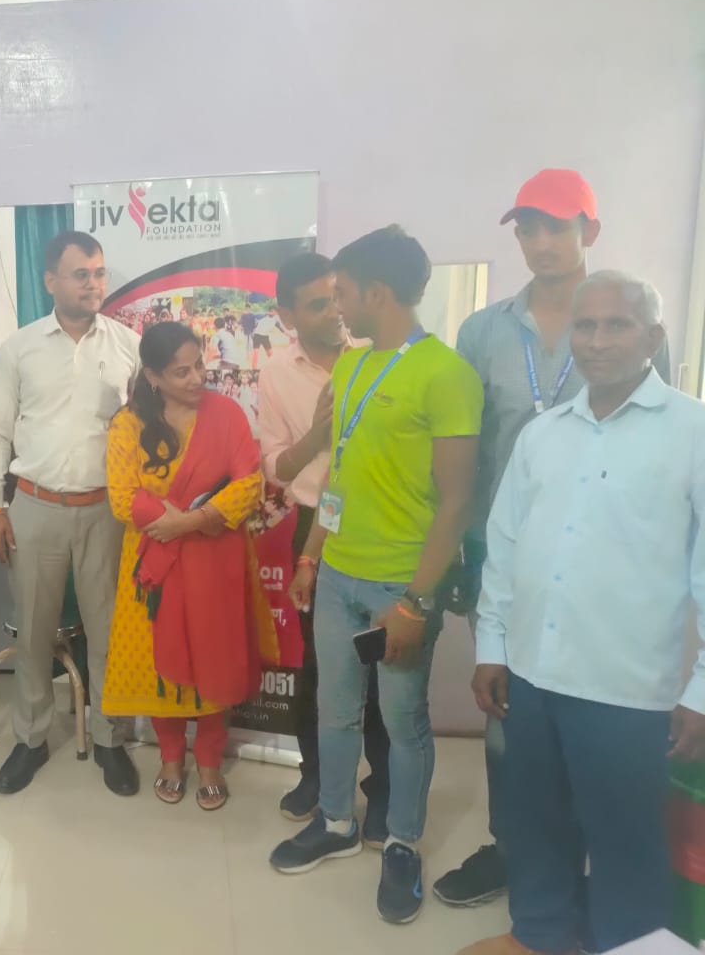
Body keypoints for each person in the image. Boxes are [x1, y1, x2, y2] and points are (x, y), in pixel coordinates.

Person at [440, 168, 673, 909]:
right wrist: (461, 549)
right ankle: (515, 850)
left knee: (597, 718)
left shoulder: (625, 318)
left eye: (557, 226)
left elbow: (656, 434)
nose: (541, 242)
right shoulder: (483, 331)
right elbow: (468, 450)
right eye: (528, 228)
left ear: (589, 231)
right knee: (509, 714)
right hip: (507, 549)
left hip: (607, 559)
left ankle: (589, 864)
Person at [458, 271, 705, 955]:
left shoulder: (693, 432)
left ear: (653, 337)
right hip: (532, 676)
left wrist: (702, 690)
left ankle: (630, 947)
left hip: (628, 688)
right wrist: (491, 646)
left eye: (616, 324)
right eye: (586, 325)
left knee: (626, 839)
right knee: (536, 823)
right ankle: (539, 935)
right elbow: (506, 546)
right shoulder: (543, 435)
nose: (597, 340)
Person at [269, 227, 482, 926]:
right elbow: (340, 478)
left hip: (399, 589)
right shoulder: (352, 368)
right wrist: (312, 554)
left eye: (343, 295)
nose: (337, 309)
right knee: (335, 709)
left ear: (377, 293)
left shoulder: (447, 374)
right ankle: (335, 821)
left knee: (403, 719)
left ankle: (401, 843)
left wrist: (417, 602)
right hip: (339, 579)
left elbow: (457, 502)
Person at [0, 230, 141, 797]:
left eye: (99, 273)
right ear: (51, 280)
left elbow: (142, 430)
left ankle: (110, 739)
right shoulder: (19, 348)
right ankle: (31, 739)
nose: (93, 284)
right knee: (33, 629)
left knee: (108, 630)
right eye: (81, 274)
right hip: (35, 506)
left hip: (105, 511)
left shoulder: (127, 344)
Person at [104, 321, 270, 810]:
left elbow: (249, 483)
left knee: (212, 657)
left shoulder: (226, 413)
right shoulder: (128, 424)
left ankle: (211, 759)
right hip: (153, 561)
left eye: (199, 365)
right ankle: (172, 757)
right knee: (161, 664)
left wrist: (192, 521)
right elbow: (122, 496)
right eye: (182, 372)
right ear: (153, 376)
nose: (197, 378)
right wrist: (170, 523)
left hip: (213, 558)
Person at [257, 253, 390, 843]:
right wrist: (318, 433)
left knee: (382, 664)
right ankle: (317, 777)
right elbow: (277, 469)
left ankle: (384, 788)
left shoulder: (377, 351)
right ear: (286, 315)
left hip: (379, 521)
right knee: (317, 664)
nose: (335, 311)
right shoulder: (275, 373)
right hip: (315, 525)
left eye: (337, 295)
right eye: (317, 304)